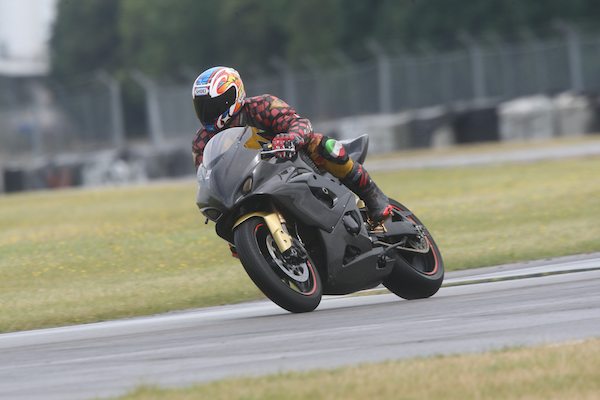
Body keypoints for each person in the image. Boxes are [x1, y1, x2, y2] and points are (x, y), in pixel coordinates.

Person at [192, 66, 393, 225]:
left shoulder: (262, 105)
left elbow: (299, 123)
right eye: (202, 107)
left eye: (214, 105)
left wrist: (291, 138)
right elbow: (208, 176)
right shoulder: (202, 141)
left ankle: (373, 195)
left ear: (234, 95)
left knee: (322, 144)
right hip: (250, 181)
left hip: (291, 162)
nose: (208, 112)